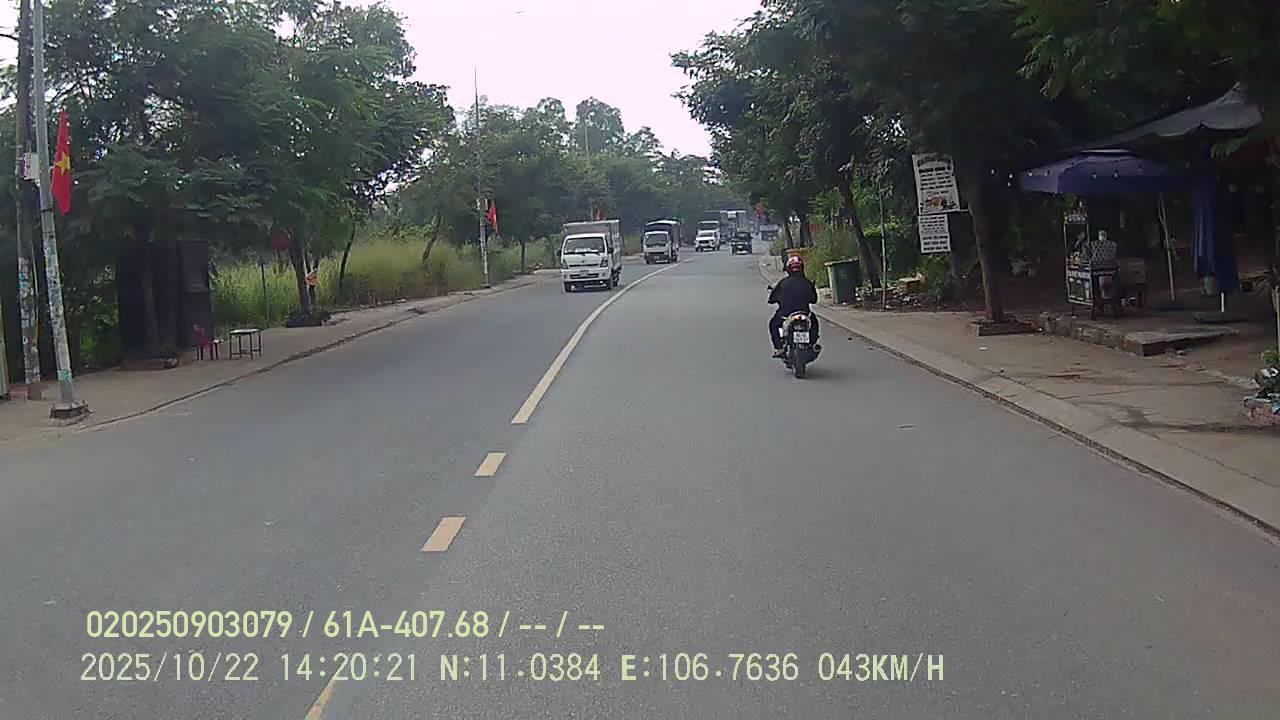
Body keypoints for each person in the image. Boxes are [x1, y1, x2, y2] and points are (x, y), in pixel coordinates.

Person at [768, 255, 818, 357]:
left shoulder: (783, 283)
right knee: (814, 323)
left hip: (785, 314)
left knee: (773, 324)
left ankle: (778, 347)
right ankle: (812, 344)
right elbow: (814, 299)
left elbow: (771, 299)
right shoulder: (807, 282)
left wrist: (776, 299)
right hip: (804, 313)